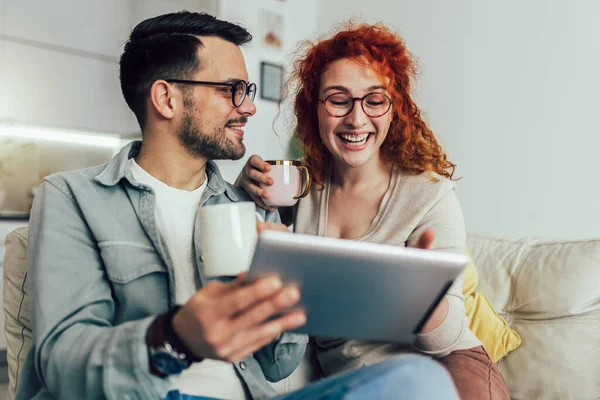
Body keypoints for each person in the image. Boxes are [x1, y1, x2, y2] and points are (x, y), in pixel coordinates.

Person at [18, 11, 461, 400]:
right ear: (166, 98)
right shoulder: (73, 197)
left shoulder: (252, 206)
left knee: (415, 381)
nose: (249, 107)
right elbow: (61, 364)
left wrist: (299, 287)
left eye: (247, 90)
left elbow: (277, 365)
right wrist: (176, 338)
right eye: (232, 90)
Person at [236, 23, 510, 399]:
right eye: (338, 99)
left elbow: (446, 339)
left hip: (447, 365)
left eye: (374, 100)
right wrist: (246, 185)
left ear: (394, 108)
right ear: (313, 107)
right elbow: (246, 241)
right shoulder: (302, 190)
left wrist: (419, 292)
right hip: (359, 383)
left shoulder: (430, 196)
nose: (356, 118)